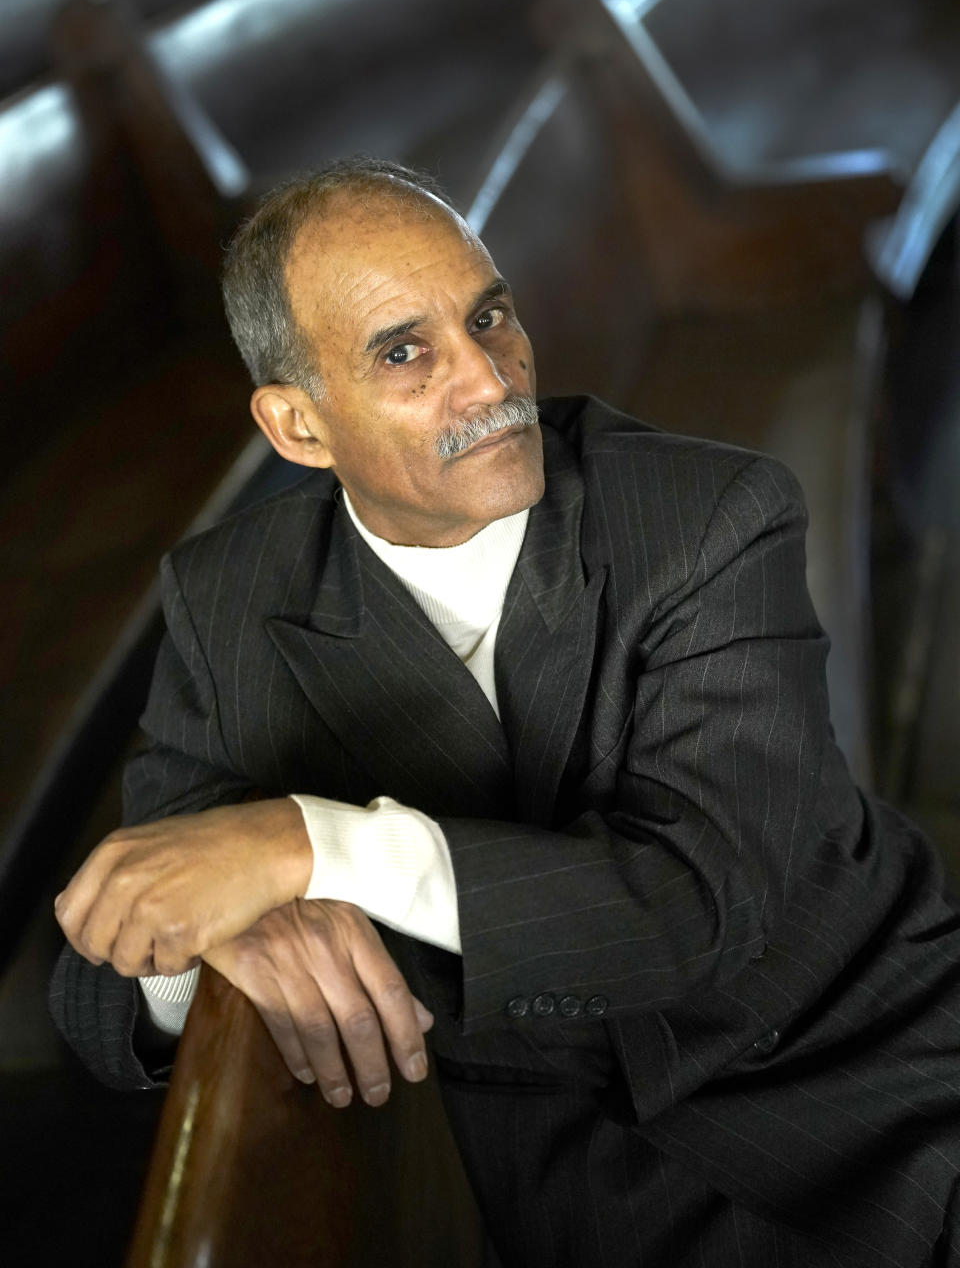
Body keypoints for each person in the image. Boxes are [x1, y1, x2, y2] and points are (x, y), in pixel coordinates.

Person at [51, 158, 960, 1267]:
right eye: (406, 353)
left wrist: (301, 846)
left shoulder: (707, 517)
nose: (489, 380)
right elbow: (99, 989)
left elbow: (692, 910)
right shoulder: (232, 595)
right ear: (298, 429)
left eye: (490, 317)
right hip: (569, 1172)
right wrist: (212, 935)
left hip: (849, 1077)